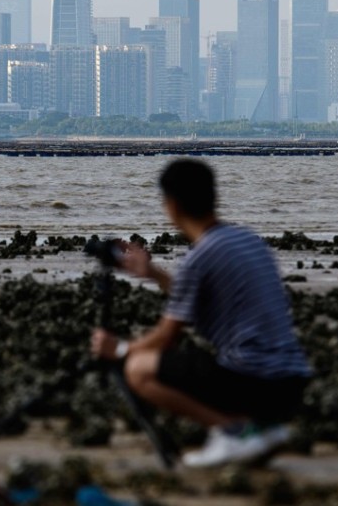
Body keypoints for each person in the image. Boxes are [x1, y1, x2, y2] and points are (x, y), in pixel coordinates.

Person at [90, 158, 312, 468]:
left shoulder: (201, 257)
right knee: (192, 361)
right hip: (291, 383)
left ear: (171, 206)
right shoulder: (247, 241)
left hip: (257, 383)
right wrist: (152, 273)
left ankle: (235, 432)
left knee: (139, 368)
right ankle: (258, 428)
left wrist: (120, 350)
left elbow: (167, 337)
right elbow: (203, 301)